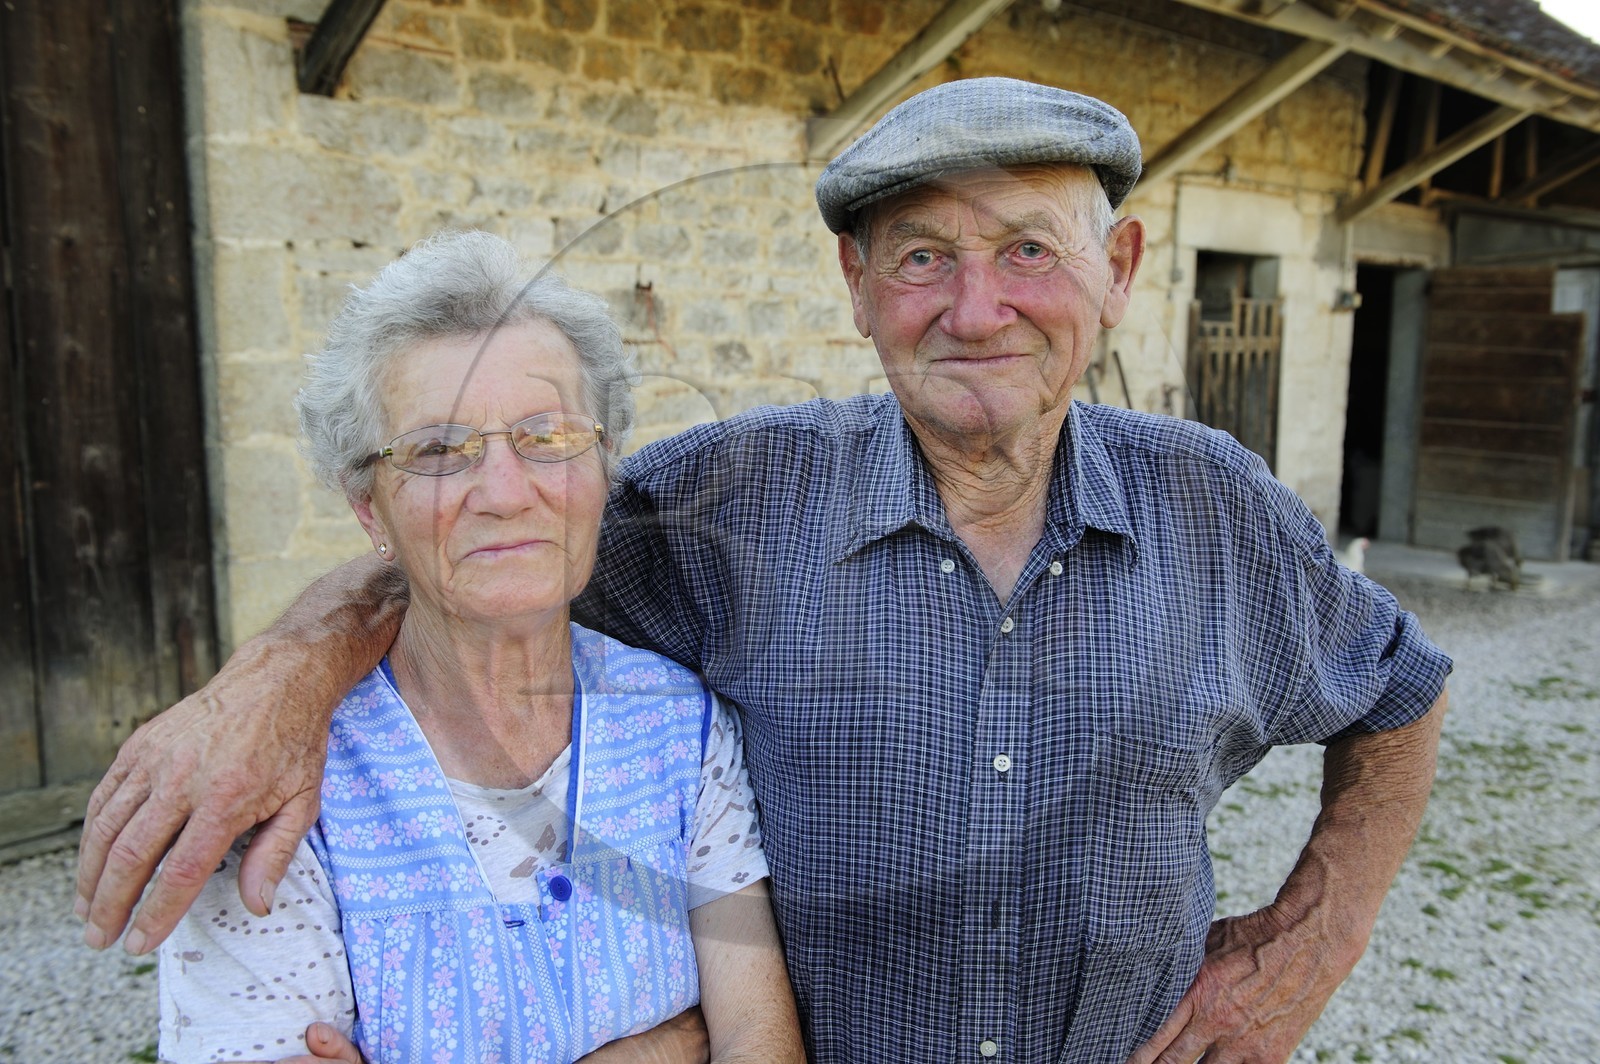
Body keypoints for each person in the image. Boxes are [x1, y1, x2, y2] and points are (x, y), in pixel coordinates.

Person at [81, 78, 1449, 1064]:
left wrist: (1312, 938)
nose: (976, 309)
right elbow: (488, 549)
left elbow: (1400, 689)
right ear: (857, 286)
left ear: (1121, 268)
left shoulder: (1214, 504)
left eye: (1029, 248)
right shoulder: (727, 502)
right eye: (923, 258)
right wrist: (285, 672)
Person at [151, 230, 803, 1063]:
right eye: (435, 450)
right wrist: (670, 1046)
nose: (503, 492)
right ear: (367, 507)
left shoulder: (679, 725)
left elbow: (758, 1039)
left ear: (604, 472)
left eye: (549, 437)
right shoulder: (279, 783)